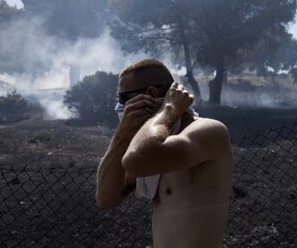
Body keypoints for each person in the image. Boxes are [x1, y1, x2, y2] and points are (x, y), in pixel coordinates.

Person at [96, 58, 233, 248]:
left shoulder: (209, 131)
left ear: (151, 93)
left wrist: (168, 109)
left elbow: (136, 160)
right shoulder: (150, 142)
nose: (120, 108)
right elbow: (106, 198)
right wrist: (122, 133)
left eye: (124, 99)